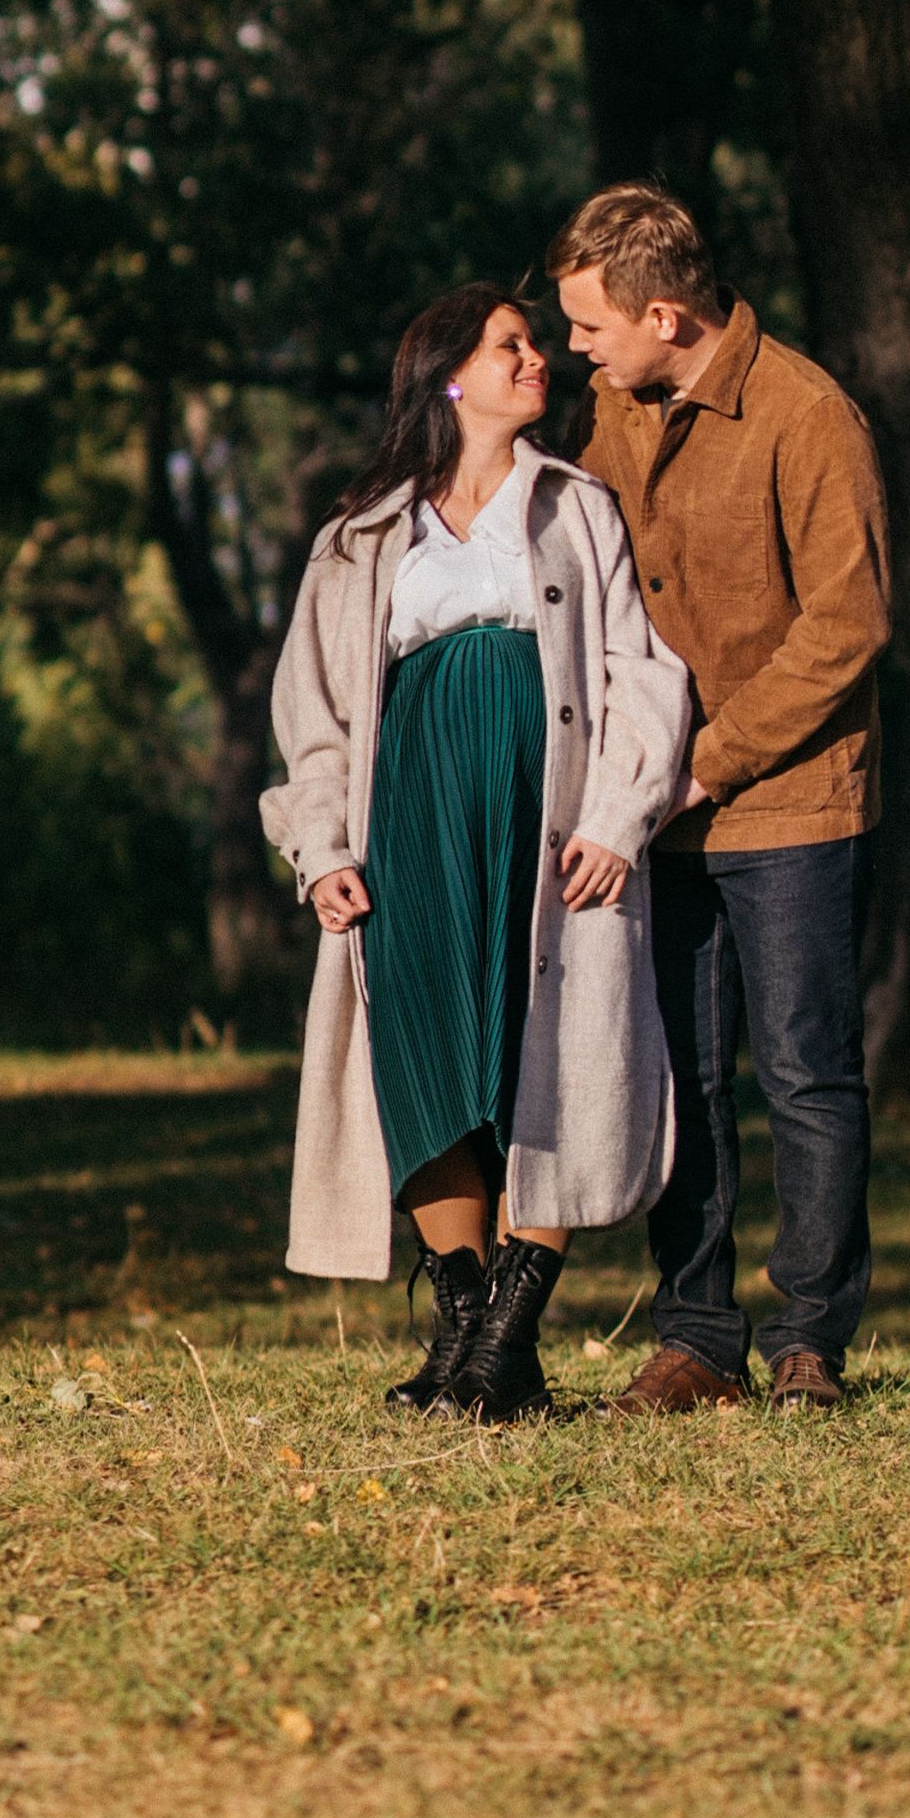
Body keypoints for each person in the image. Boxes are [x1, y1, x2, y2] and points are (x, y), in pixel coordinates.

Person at [261, 286, 694, 1421]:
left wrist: (617, 814)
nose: (537, 359)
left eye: (537, 343)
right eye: (511, 345)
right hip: (409, 814)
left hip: (549, 818)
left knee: (542, 1054)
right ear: (450, 378)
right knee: (423, 1057)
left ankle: (508, 1335)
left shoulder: (577, 507)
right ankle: (466, 1330)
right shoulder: (358, 537)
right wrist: (321, 848)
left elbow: (642, 672)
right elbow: (312, 714)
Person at [548, 183, 891, 1415]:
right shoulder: (614, 409)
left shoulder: (807, 416)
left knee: (804, 1071)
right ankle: (697, 1334)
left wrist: (708, 759)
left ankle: (811, 1337)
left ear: (665, 314)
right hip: (656, 806)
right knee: (680, 1072)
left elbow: (847, 628)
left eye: (590, 325)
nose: (576, 348)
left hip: (789, 802)